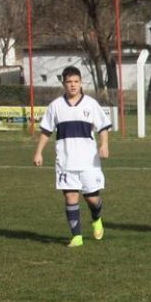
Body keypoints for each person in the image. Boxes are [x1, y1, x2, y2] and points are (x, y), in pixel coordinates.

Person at [33, 67, 112, 247]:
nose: (73, 85)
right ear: (64, 84)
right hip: (66, 161)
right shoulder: (56, 106)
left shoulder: (91, 104)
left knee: (92, 198)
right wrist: (38, 152)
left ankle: (96, 218)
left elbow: (103, 127)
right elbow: (46, 131)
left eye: (76, 81)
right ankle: (76, 237)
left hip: (88, 161)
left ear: (81, 82)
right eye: (69, 82)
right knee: (70, 197)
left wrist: (104, 144)